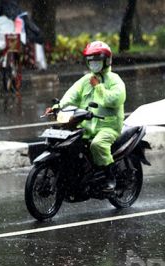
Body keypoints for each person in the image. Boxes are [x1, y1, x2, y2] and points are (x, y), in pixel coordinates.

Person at [45, 41, 126, 191]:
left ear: (106, 61)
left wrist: (99, 87)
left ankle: (110, 178)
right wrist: (57, 107)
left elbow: (115, 100)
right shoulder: (86, 80)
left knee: (97, 145)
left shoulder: (115, 80)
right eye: (91, 61)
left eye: (97, 60)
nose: (94, 64)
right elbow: (71, 95)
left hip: (108, 126)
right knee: (68, 141)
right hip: (87, 124)